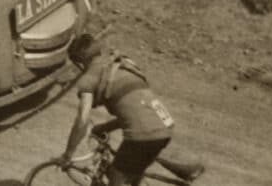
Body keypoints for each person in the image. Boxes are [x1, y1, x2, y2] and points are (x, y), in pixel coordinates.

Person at [60, 34, 204, 186]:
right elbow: (133, 110)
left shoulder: (89, 78)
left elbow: (82, 120)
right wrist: (103, 128)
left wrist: (68, 155)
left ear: (81, 61)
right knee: (131, 174)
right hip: (163, 126)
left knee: (116, 175)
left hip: (143, 134)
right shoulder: (121, 64)